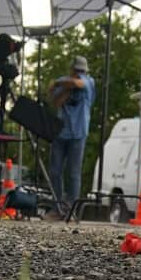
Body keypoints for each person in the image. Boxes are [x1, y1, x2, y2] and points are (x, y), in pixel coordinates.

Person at [47, 55, 96, 214]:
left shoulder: (89, 81)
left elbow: (78, 83)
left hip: (78, 133)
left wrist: (60, 82)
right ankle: (57, 207)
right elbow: (55, 102)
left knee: (74, 173)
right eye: (77, 71)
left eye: (81, 71)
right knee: (55, 171)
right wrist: (65, 88)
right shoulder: (66, 83)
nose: (79, 74)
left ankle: (71, 210)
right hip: (61, 133)